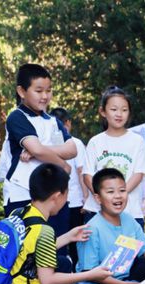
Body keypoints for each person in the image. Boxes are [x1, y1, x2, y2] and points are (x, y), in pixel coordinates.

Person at [0, 163, 111, 284]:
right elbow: (47, 280)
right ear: (57, 196)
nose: (67, 200)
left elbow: (30, 251)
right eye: (67, 194)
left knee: (64, 263)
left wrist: (68, 237)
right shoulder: (44, 231)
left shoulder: (21, 213)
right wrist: (90, 275)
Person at [1, 64, 77, 251]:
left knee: (56, 251)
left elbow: (72, 149)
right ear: (21, 91)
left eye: (49, 91)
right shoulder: (16, 118)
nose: (45, 96)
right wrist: (63, 166)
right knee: (25, 253)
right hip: (22, 194)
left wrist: (40, 149)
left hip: (53, 195)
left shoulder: (53, 121)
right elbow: (38, 149)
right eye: (38, 90)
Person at [82, 86, 145, 229]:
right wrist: (103, 196)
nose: (119, 114)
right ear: (103, 111)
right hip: (97, 212)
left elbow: (138, 174)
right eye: (114, 109)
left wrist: (119, 195)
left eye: (124, 110)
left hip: (130, 213)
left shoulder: (137, 141)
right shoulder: (95, 142)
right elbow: (87, 175)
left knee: (131, 251)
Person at [49, 107, 88, 268]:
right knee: (75, 243)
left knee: (60, 240)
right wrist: (86, 198)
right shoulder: (75, 142)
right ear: (68, 123)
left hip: (58, 202)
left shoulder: (48, 143)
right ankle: (74, 274)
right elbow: (81, 172)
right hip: (75, 202)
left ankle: (63, 273)